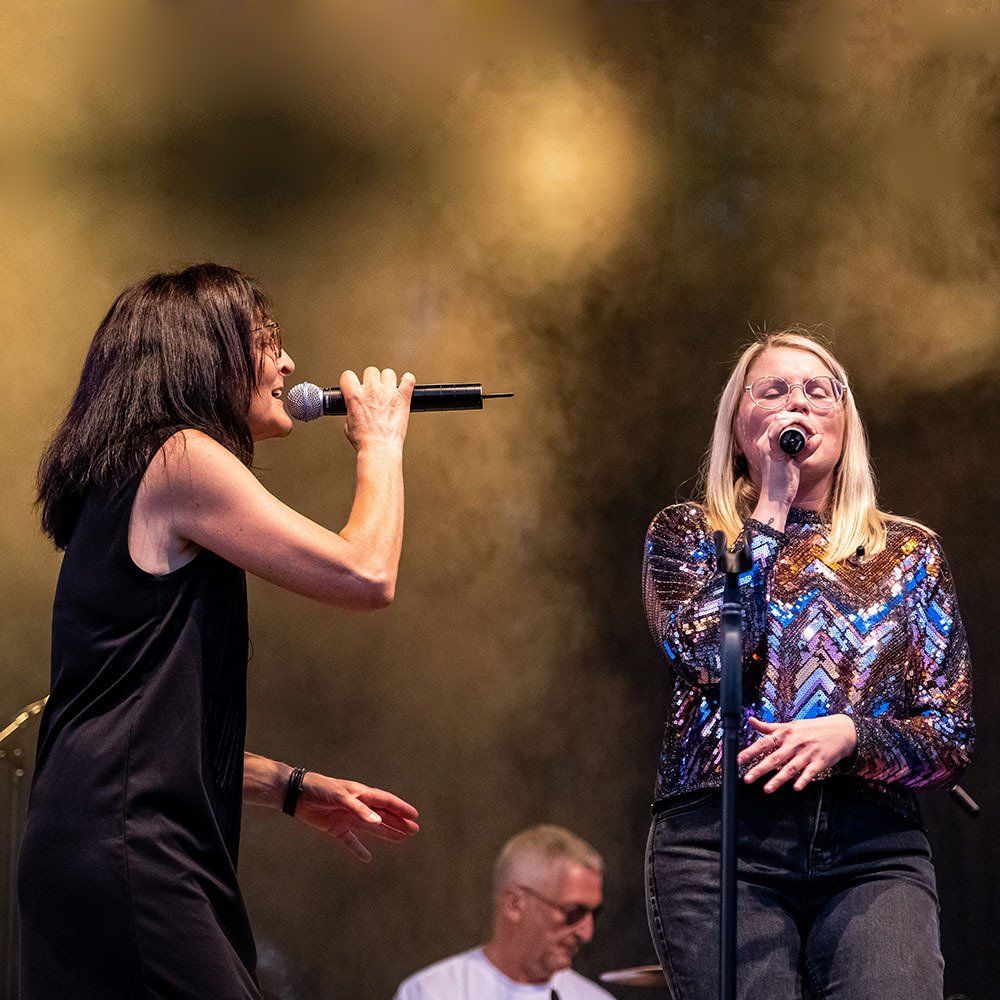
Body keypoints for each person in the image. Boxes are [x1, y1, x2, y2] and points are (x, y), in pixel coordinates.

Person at [18, 264, 421, 999]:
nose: (289, 364)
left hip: (101, 840)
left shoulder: (133, 475)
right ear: (205, 354)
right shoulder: (179, 458)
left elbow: (142, 732)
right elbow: (366, 574)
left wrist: (291, 788)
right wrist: (382, 444)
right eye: (268, 341)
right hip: (128, 847)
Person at [642, 330, 974, 1000]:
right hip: (722, 842)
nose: (798, 402)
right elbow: (711, 657)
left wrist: (853, 735)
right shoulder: (689, 534)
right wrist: (769, 510)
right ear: (739, 424)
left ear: (846, 424)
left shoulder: (909, 554)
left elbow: (950, 737)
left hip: (872, 846)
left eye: (819, 391)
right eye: (774, 390)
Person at [394, 825, 613, 1000]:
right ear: (514, 904)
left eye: (594, 914)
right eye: (574, 912)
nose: (586, 933)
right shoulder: (430, 993)